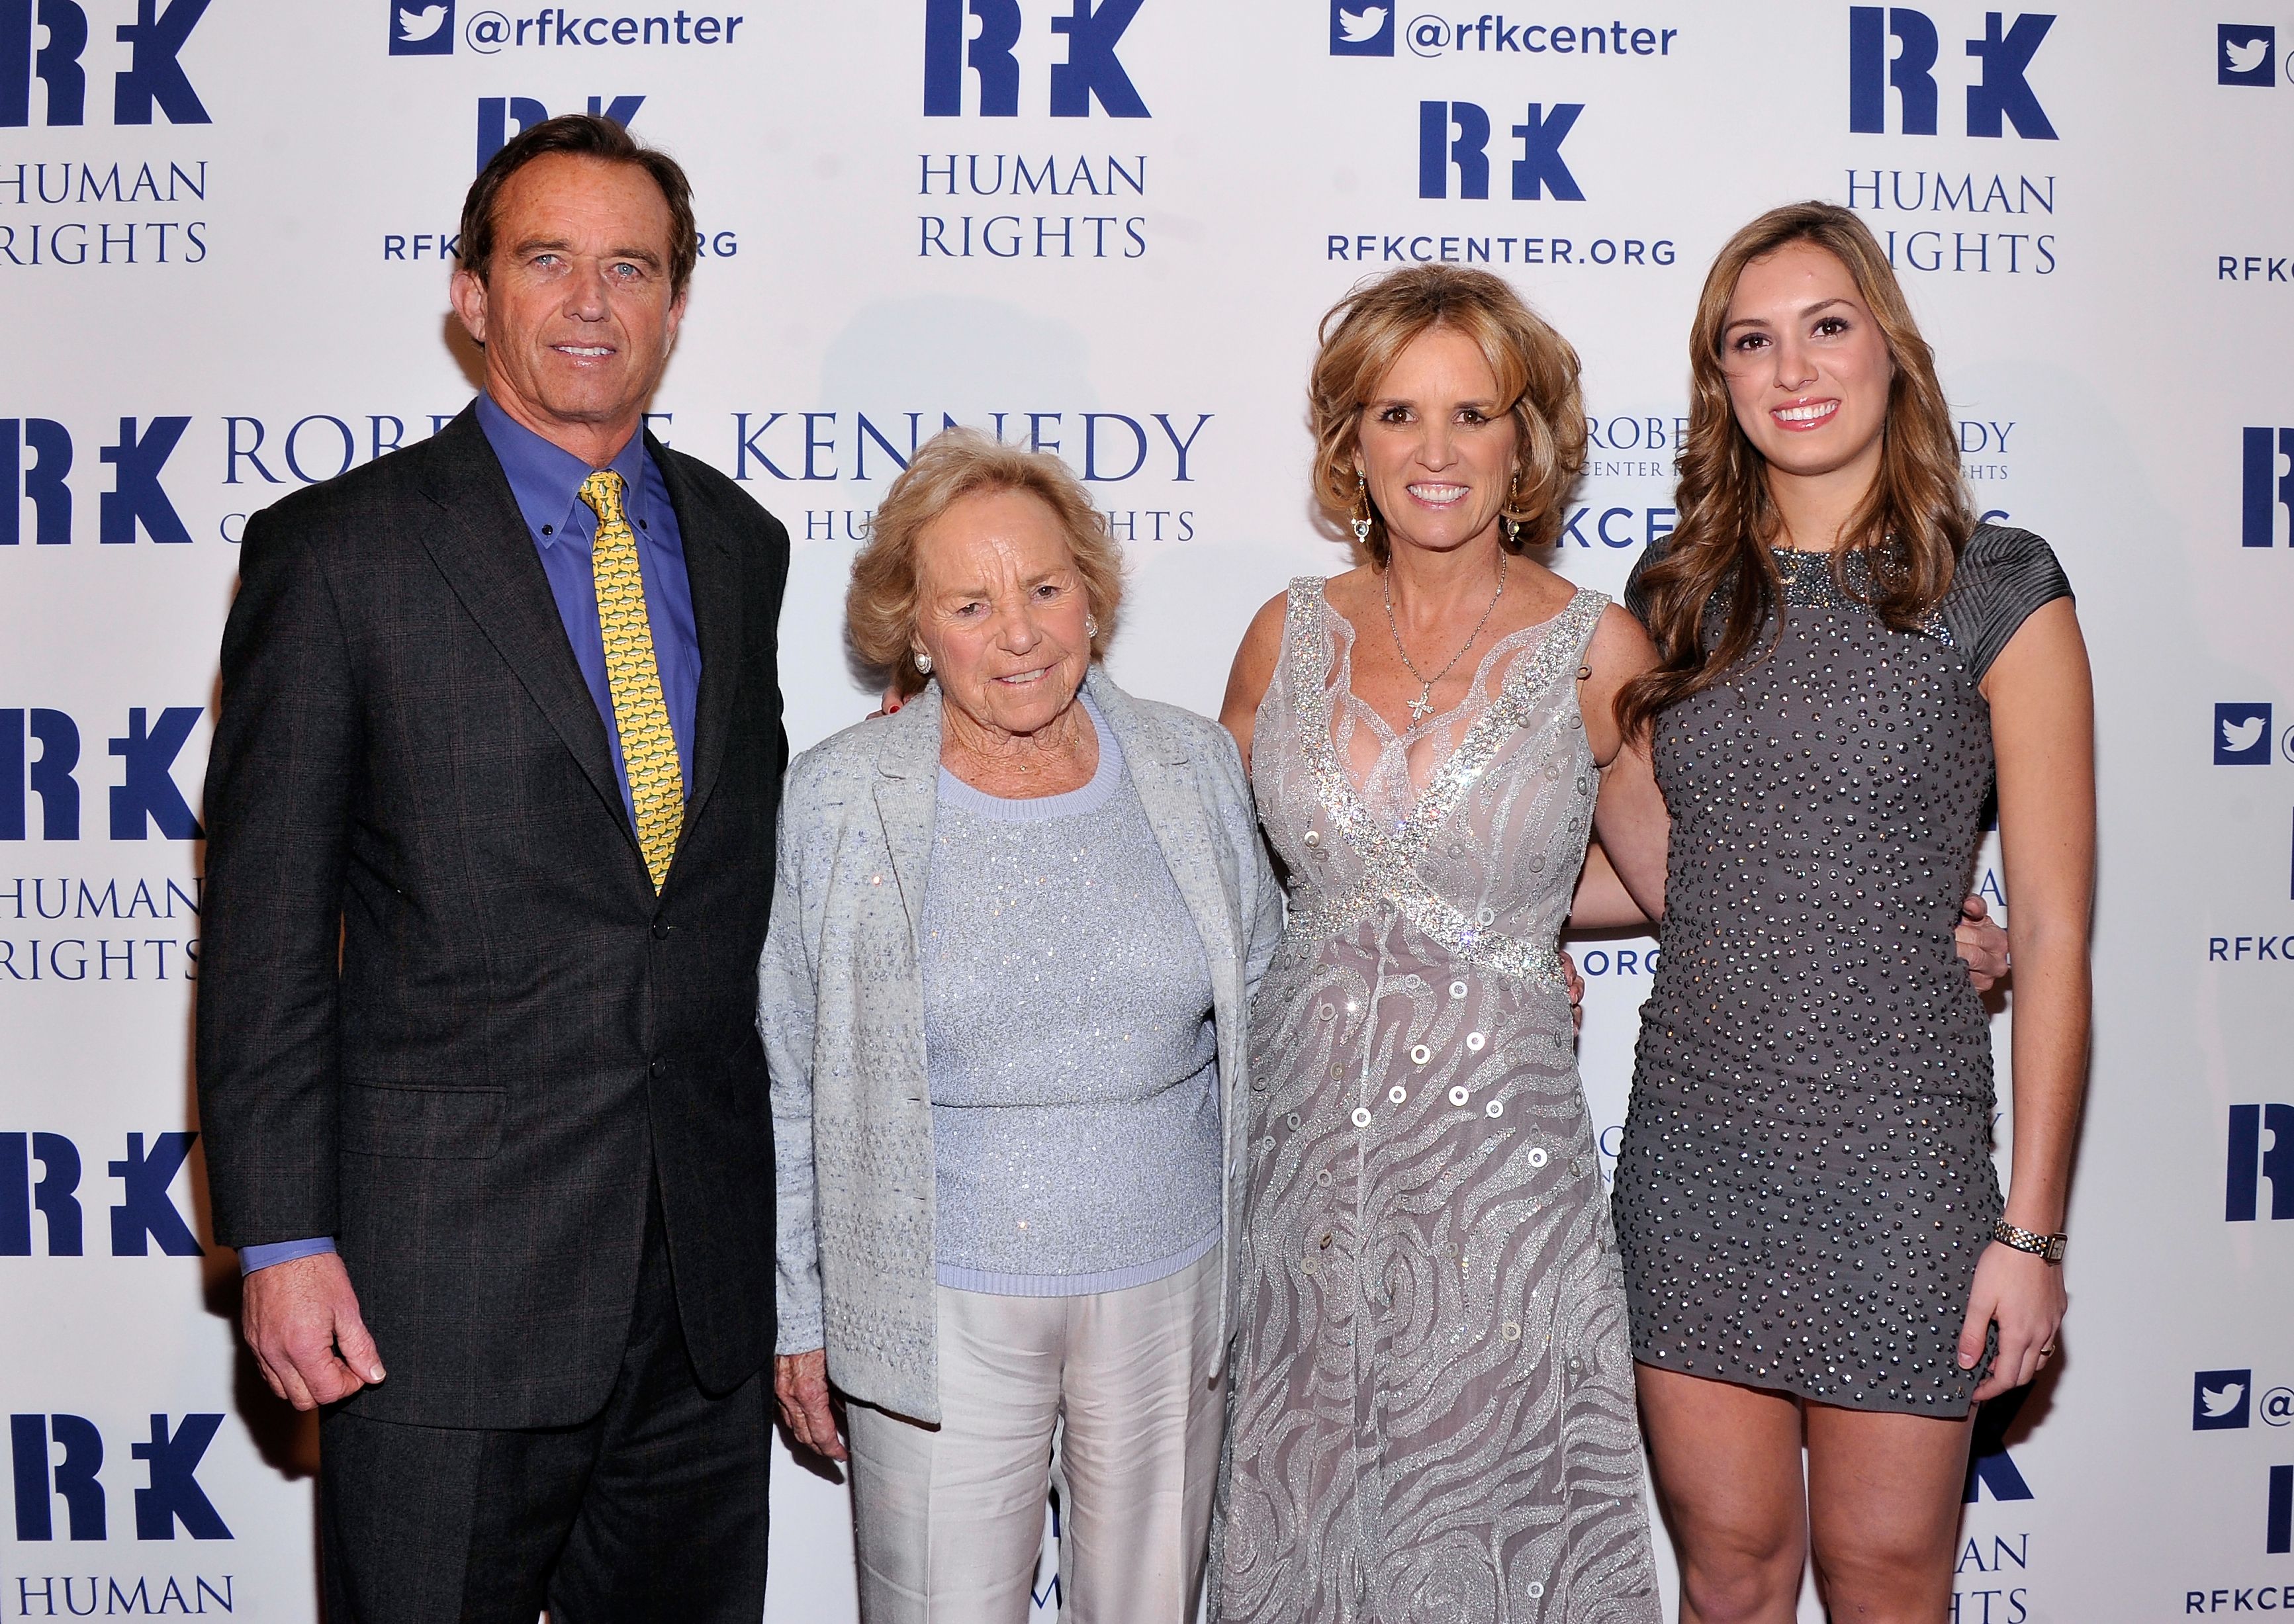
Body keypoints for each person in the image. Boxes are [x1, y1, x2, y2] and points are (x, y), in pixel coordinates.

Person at [196, 114, 789, 1622]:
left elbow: (712, 910)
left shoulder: (739, 543)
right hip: (436, 1290)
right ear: (470, 295)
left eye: (630, 267)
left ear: (673, 303)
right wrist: (280, 1239)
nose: (591, 301)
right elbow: (264, 932)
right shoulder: (337, 555)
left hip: (699, 1301)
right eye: (546, 260)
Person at [1608, 201, 2094, 1623]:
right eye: (1749, 341)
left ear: (1889, 349)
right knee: (1730, 1580)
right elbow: (1660, 865)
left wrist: (2032, 1233)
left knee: (1886, 1583)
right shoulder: (1676, 594)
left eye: (1825, 325)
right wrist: (1453, 928)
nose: (1791, 367)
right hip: (1694, 1153)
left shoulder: (1996, 587)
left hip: (1899, 1163)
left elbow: (2055, 933)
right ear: (1720, 381)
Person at [762, 428, 1284, 1624]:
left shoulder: (1191, 764)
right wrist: (798, 1309)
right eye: (970, 600)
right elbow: (792, 1071)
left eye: (1046, 587)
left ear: (1092, 596)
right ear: (912, 626)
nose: (1018, 631)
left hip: (1172, 1295)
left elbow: (1270, 1000)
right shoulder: (841, 795)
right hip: (931, 1307)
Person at [1213, 263, 1671, 1623]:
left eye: (1471, 414)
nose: (1433, 450)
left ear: (1523, 442)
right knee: (1299, 1517)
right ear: (1349, 440)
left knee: (1487, 1526)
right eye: (1396, 414)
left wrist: (1892, 918)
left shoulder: (1596, 648)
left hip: (1494, 1183)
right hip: (1298, 1176)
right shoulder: (1279, 634)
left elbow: (1677, 885)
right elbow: (1195, 865)